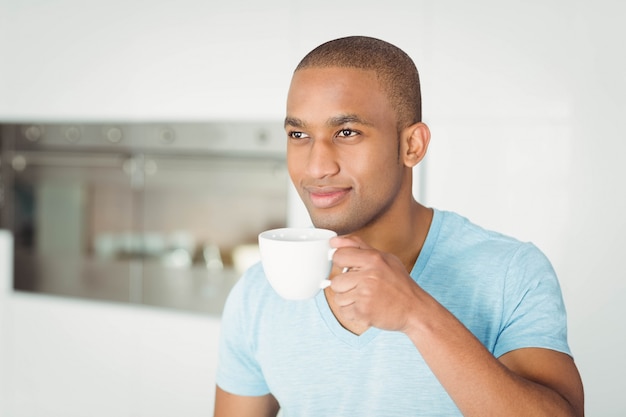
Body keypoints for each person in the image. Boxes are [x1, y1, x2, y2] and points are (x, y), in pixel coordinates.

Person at [214, 36, 584, 416]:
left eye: (346, 133)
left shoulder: (512, 272)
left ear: (412, 145)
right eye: (299, 135)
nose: (316, 167)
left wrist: (416, 315)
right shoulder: (257, 292)